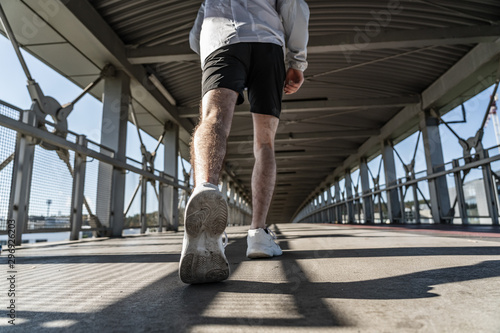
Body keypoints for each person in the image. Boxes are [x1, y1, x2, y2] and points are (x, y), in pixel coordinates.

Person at [179, 0, 310, 284]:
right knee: (265, 143)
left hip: (221, 39)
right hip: (268, 44)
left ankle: (206, 191)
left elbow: (195, 35)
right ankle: (259, 235)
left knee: (213, 119)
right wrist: (297, 61)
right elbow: (294, 8)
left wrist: (209, 52)